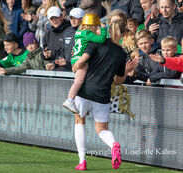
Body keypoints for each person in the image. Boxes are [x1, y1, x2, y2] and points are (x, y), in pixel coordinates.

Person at [70, 19, 131, 171]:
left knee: (79, 121)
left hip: (85, 90)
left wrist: (75, 65)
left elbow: (80, 62)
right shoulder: (122, 53)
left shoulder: (97, 43)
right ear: (123, 34)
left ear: (109, 29)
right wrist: (127, 71)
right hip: (103, 95)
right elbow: (118, 81)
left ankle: (82, 161)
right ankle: (113, 145)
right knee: (102, 129)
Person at [62, 13, 107, 114]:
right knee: (78, 81)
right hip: (81, 60)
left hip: (75, 58)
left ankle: (80, 103)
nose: (96, 28)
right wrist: (103, 30)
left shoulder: (79, 31)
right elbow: (101, 39)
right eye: (95, 26)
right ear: (92, 25)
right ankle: (70, 100)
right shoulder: (87, 33)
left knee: (81, 81)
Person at [55, 7, 85, 72]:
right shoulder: (67, 32)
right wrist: (56, 62)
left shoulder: (87, 32)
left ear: (82, 19)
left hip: (81, 70)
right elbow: (62, 51)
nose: (73, 21)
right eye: (71, 18)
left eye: (75, 18)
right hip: (67, 69)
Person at [43, 6, 70, 71]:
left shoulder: (69, 31)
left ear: (62, 16)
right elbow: (44, 49)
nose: (54, 20)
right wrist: (45, 54)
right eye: (52, 18)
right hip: (52, 68)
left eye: (56, 17)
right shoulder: (48, 33)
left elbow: (66, 52)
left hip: (67, 69)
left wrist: (52, 54)